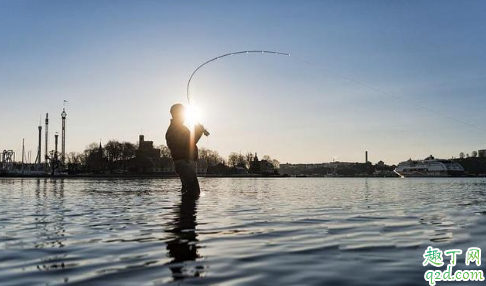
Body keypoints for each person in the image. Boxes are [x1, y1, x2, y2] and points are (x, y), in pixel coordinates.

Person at [166, 103, 206, 197]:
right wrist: (199, 131)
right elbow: (189, 142)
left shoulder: (176, 128)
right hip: (185, 163)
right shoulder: (177, 129)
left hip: (184, 163)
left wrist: (198, 131)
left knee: (187, 191)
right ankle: (187, 210)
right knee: (194, 191)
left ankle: (185, 210)